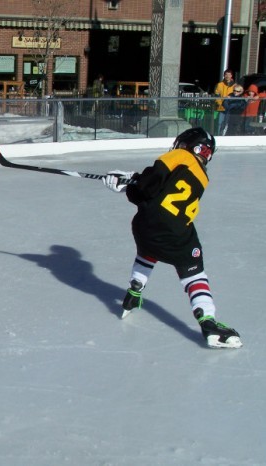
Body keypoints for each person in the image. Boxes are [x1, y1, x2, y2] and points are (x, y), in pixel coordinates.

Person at [102, 127, 242, 349]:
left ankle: (134, 291)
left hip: (144, 227)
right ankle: (208, 321)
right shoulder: (202, 176)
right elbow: (164, 191)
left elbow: (149, 187)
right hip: (174, 233)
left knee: (148, 250)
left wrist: (127, 185)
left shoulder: (178, 155)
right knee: (194, 272)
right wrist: (134, 181)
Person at [214, 69, 236, 135]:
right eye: (226, 74)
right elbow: (217, 95)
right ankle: (219, 135)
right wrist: (219, 103)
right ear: (224, 75)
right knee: (220, 123)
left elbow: (237, 95)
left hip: (230, 108)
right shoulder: (219, 84)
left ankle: (226, 136)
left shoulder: (235, 85)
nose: (227, 76)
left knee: (228, 123)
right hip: (221, 108)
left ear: (231, 75)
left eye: (229, 74)